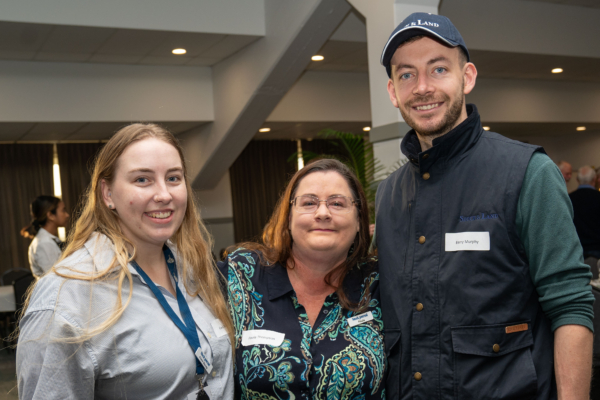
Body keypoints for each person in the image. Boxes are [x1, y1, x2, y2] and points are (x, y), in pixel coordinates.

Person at [376, 12, 593, 399]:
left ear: (468, 77)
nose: (422, 87)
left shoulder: (527, 173)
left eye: (438, 69)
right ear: (393, 91)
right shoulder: (388, 194)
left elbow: (571, 305)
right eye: (407, 74)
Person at [17, 123, 234, 399]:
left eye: (173, 178)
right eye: (142, 179)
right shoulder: (66, 299)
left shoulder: (192, 268)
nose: (164, 195)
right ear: (107, 194)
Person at [218, 159, 385, 399]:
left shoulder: (381, 282)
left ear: (359, 221)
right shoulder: (241, 274)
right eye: (309, 202)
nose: (323, 213)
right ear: (288, 217)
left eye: (337, 203)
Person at [20, 195, 69, 278]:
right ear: (50, 215)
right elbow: (55, 278)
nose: (67, 215)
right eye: (63, 210)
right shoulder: (44, 243)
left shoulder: (51, 240)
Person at [569, 166, 600, 259]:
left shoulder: (569, 199)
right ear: (595, 179)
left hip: (575, 250)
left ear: (577, 179)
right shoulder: (598, 198)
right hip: (597, 249)